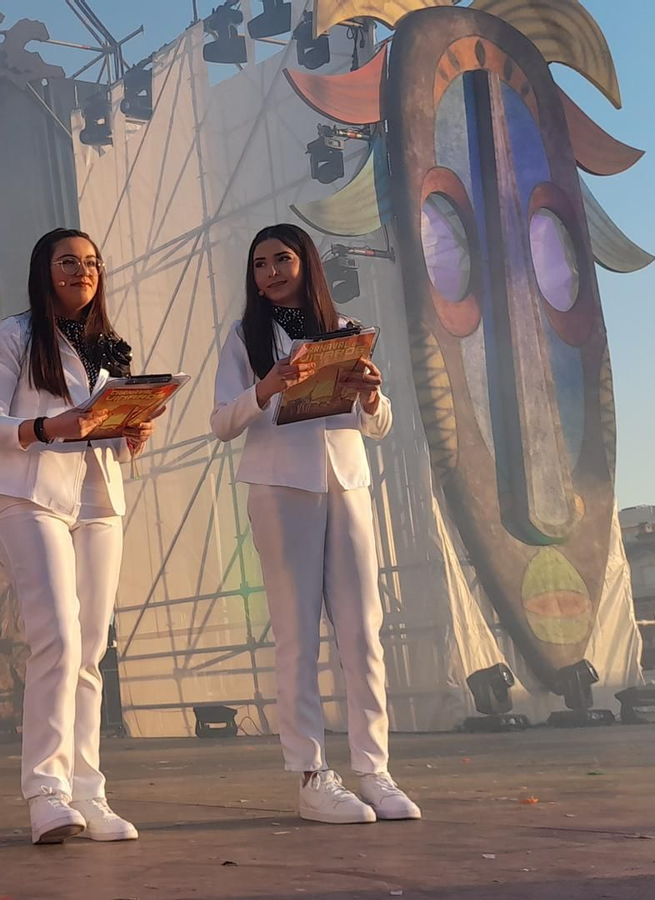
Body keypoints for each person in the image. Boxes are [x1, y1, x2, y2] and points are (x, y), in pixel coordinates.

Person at [208, 223, 419, 825]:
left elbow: (377, 425)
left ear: (306, 264)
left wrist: (373, 397)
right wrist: (266, 387)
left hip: (347, 485)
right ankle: (310, 774)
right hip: (280, 489)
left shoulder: (348, 331)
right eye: (259, 264)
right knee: (297, 636)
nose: (270, 271)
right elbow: (222, 422)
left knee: (362, 632)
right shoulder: (244, 337)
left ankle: (374, 770)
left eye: (282, 259)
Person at [0, 228, 155, 844]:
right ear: (43, 270)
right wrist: (51, 426)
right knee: (56, 638)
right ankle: (46, 792)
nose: (82, 271)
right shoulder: (15, 335)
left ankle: (88, 790)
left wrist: (130, 435)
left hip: (99, 499)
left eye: (92, 263)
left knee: (91, 651)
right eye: (68, 262)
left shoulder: (110, 346)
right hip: (31, 495)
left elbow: (108, 431)